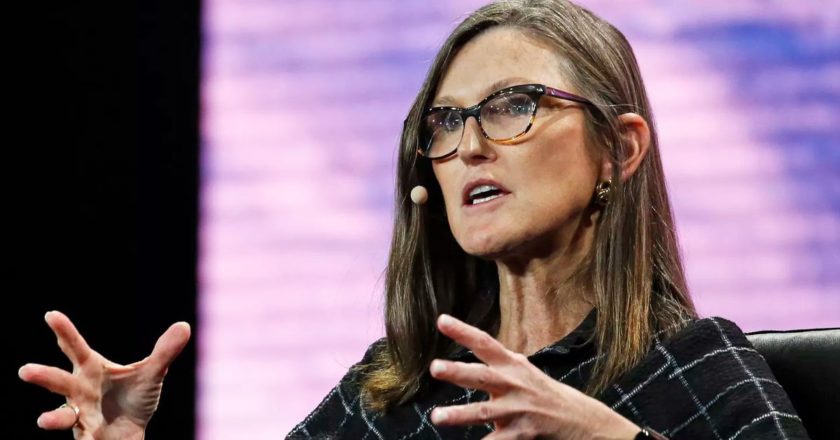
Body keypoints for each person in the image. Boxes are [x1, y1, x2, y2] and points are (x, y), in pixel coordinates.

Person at [19, 0, 810, 439]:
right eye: (446, 121)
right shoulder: (393, 393)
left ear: (619, 148)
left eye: (514, 106)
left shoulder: (692, 371)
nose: (469, 146)